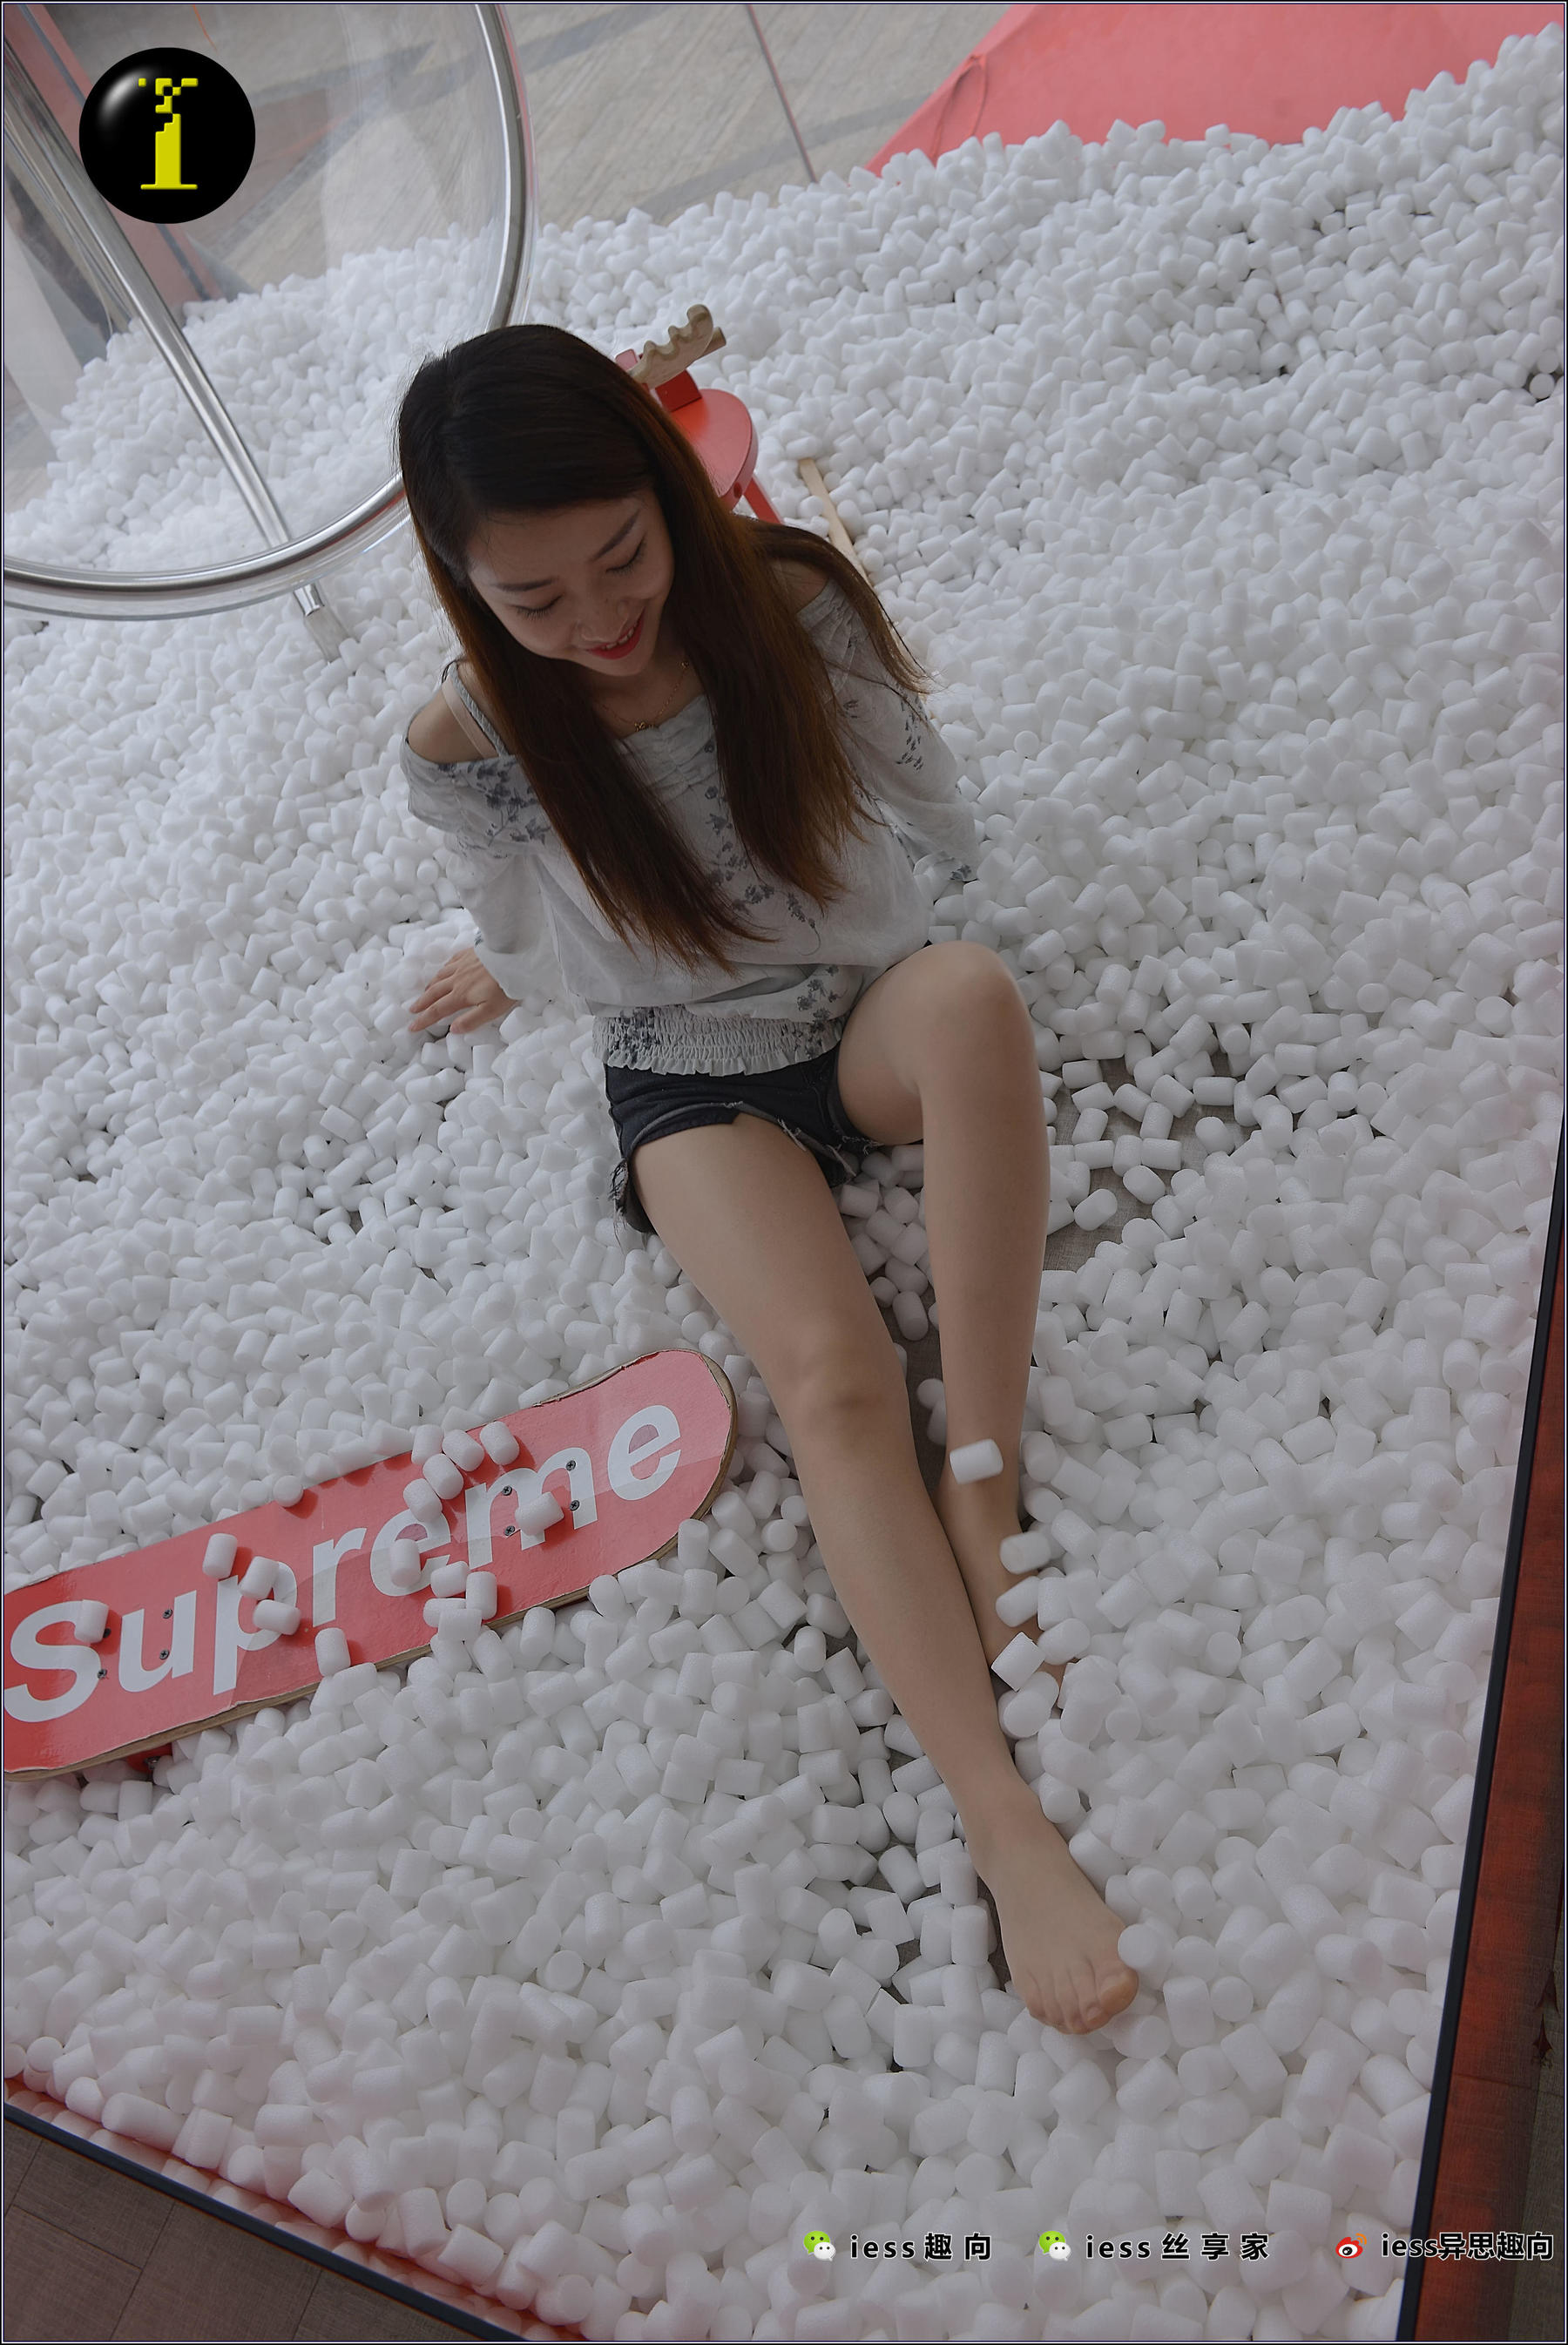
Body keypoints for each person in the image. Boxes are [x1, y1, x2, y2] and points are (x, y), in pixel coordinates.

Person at [395, 323, 1137, 2036]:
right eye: (533, 598)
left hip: (862, 1007)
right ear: (462, 586)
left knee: (974, 995)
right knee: (831, 1378)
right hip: (686, 1074)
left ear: (672, 491)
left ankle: (985, 1484)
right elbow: (542, 950)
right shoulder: (465, 740)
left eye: (625, 555)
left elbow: (939, 826)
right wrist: (517, 955)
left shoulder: (787, 599)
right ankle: (1003, 1821)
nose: (599, 618)